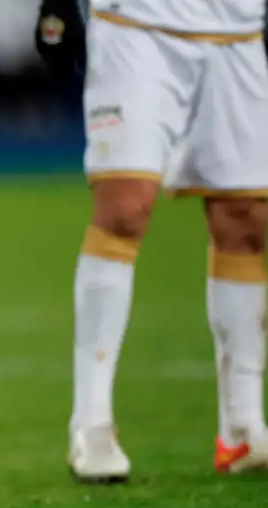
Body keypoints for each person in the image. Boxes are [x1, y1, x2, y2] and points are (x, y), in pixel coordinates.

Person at [36, 0, 268, 483]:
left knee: (246, 218)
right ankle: (92, 422)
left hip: (239, 27)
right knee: (125, 207)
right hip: (136, 23)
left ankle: (242, 427)